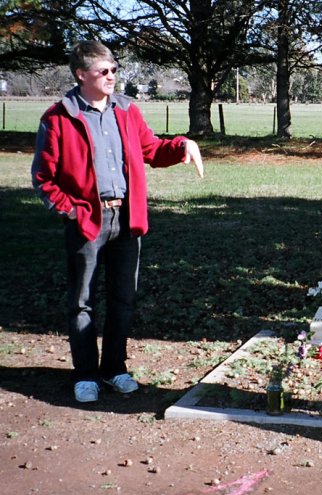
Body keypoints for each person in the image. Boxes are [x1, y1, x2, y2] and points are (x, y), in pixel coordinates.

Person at [31, 40, 205, 403]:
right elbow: (43, 179)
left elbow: (151, 150)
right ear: (81, 74)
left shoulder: (127, 110)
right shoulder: (58, 117)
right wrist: (74, 212)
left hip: (127, 219)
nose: (111, 76)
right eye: (103, 71)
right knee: (82, 302)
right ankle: (86, 375)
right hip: (88, 222)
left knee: (123, 300)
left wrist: (182, 145)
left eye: (113, 70)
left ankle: (114, 369)